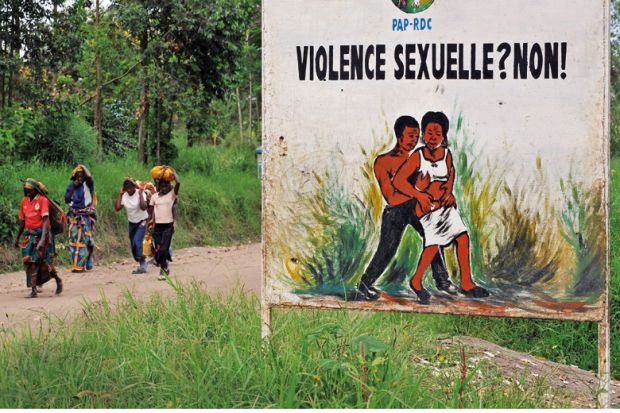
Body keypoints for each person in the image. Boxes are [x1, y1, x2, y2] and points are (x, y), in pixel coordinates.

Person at [355, 115, 457, 301]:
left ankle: (442, 280)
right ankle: (364, 284)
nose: (413, 140)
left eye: (416, 136)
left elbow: (435, 183)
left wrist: (438, 193)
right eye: (410, 136)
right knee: (386, 249)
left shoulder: (419, 157)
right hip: (396, 211)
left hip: (417, 207)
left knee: (433, 235)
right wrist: (417, 191)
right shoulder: (383, 161)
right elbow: (391, 197)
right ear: (399, 136)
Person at [393, 111, 489, 304]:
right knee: (433, 245)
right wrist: (419, 195)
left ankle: (468, 283)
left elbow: (451, 173)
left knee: (462, 238)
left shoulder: (446, 154)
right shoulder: (417, 156)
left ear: (443, 135)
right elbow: (398, 181)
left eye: (437, 133)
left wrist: (449, 193)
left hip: (444, 206)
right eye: (429, 132)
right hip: (428, 209)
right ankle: (416, 281)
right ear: (423, 134)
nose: (433, 137)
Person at [14, 179, 63, 298]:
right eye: (26, 191)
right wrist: (17, 238)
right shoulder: (24, 202)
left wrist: (42, 240)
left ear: (36, 190)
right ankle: (34, 290)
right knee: (29, 262)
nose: (28, 193)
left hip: (43, 235)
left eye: (30, 191)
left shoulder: (43, 200)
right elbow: (22, 222)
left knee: (45, 262)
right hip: (28, 236)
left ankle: (57, 279)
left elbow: (46, 221)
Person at [149, 170, 180, 280]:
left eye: (166, 185)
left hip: (168, 226)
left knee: (163, 249)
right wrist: (149, 224)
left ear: (169, 186)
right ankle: (165, 265)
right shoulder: (154, 197)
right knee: (157, 251)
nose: (164, 188)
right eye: (162, 186)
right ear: (159, 186)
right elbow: (152, 212)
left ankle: (163, 270)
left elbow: (178, 183)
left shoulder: (172, 195)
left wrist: (172, 170)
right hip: (157, 227)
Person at [65, 164, 96, 272]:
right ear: (74, 177)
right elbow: (67, 200)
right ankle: (78, 266)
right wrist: (73, 187)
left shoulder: (88, 184)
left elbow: (90, 177)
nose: (80, 178)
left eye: (82, 176)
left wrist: (83, 167)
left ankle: (88, 259)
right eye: (78, 176)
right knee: (74, 241)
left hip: (86, 216)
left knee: (86, 241)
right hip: (74, 216)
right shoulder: (71, 186)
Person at [115, 178, 149, 274]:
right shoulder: (124, 195)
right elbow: (117, 208)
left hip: (142, 220)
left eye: (130, 188)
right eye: (127, 189)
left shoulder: (139, 192)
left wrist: (141, 194)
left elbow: (143, 207)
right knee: (133, 246)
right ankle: (141, 260)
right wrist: (120, 194)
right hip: (132, 223)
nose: (129, 190)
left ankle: (143, 265)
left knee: (137, 242)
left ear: (134, 187)